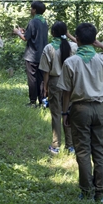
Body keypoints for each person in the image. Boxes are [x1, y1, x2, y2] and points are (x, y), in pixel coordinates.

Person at [57, 22, 103, 202]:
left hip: (79, 109)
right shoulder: (102, 59)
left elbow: (66, 91)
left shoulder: (71, 62)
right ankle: (100, 193)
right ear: (94, 40)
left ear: (76, 40)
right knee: (99, 151)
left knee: (83, 151)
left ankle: (86, 192)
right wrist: (102, 46)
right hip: (99, 109)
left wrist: (64, 114)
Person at [40, 21, 77, 155]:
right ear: (66, 32)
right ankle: (71, 145)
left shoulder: (49, 48)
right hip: (71, 83)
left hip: (55, 82)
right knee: (68, 112)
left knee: (56, 114)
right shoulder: (73, 46)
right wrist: (70, 36)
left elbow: (46, 71)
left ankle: (55, 146)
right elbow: (84, 44)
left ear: (52, 33)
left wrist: (45, 87)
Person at [13, 0, 48, 107]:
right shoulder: (44, 22)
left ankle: (33, 101)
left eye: (31, 8)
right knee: (41, 78)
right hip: (43, 54)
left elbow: (25, 38)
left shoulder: (33, 22)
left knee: (32, 78)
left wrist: (18, 32)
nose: (30, 10)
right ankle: (42, 100)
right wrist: (24, 31)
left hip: (32, 55)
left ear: (35, 10)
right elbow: (33, 35)